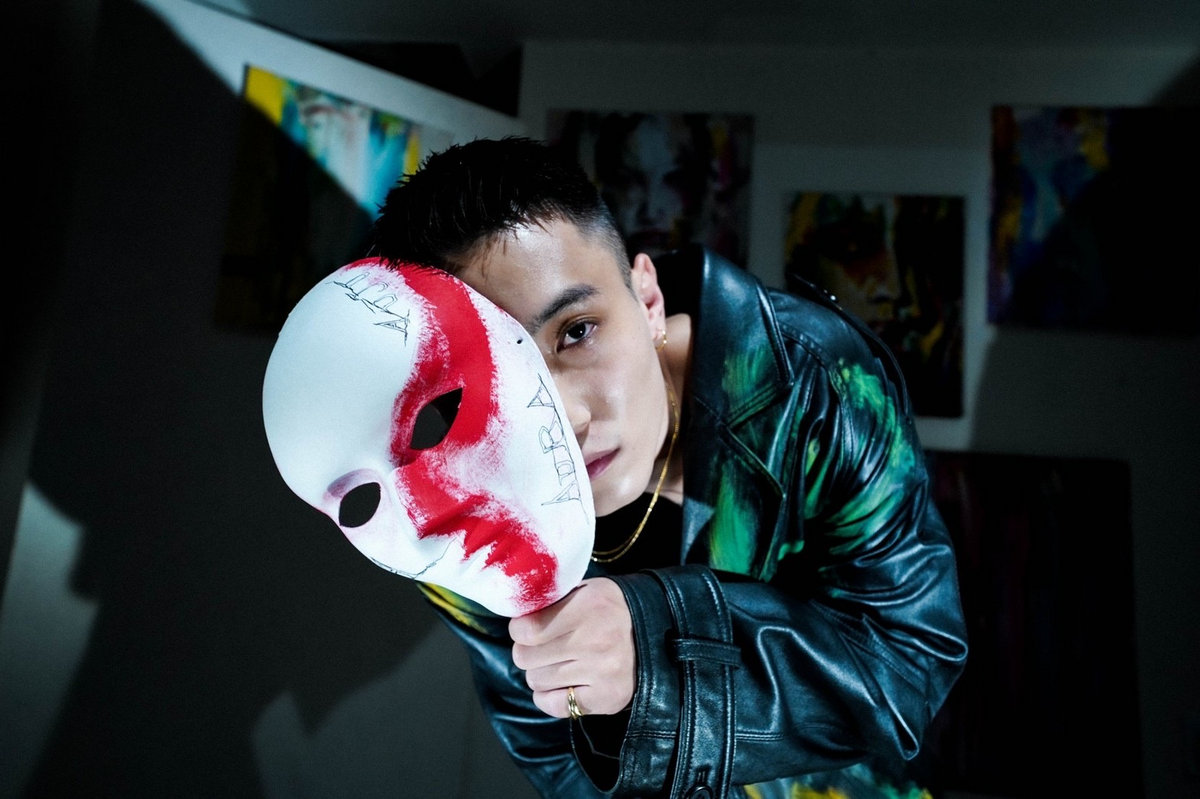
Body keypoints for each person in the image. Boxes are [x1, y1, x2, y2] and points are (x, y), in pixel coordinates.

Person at [367, 136, 968, 798]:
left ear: (647, 298)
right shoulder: (471, 522)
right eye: (491, 384)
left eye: (576, 332)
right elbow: (555, 755)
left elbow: (911, 659)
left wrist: (662, 644)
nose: (564, 418)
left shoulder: (820, 383)